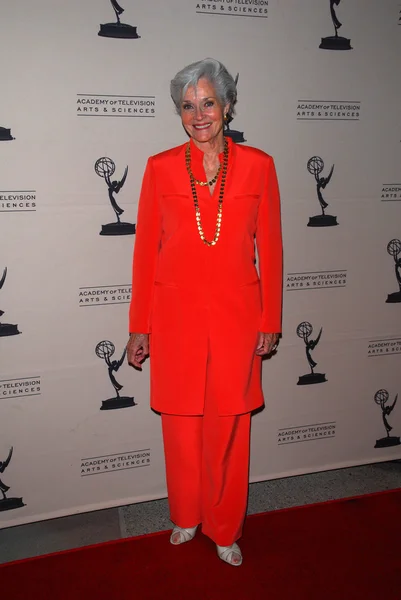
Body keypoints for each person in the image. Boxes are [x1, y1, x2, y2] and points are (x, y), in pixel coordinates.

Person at [127, 58, 282, 566]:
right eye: (187, 106)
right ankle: (187, 515)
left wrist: (270, 319)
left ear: (228, 106)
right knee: (180, 425)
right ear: (179, 112)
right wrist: (138, 328)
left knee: (229, 429)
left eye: (208, 103)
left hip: (238, 320)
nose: (199, 115)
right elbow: (145, 252)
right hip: (175, 321)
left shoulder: (260, 165)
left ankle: (223, 527)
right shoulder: (159, 168)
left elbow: (272, 250)